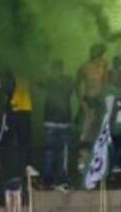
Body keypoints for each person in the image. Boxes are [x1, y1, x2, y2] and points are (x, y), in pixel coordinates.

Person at [41, 60, 74, 190]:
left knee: (58, 152)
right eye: (55, 69)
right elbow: (39, 83)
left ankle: (59, 178)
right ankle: (51, 178)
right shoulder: (51, 81)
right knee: (52, 151)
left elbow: (69, 91)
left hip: (60, 122)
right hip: (55, 121)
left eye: (56, 69)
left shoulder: (65, 80)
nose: (56, 71)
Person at [76, 44, 108, 152]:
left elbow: (105, 83)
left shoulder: (104, 65)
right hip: (88, 100)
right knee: (85, 131)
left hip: (100, 101)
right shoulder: (85, 66)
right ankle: (82, 160)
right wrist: (81, 102)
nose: (101, 57)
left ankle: (96, 158)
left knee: (99, 130)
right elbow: (77, 85)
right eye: (100, 54)